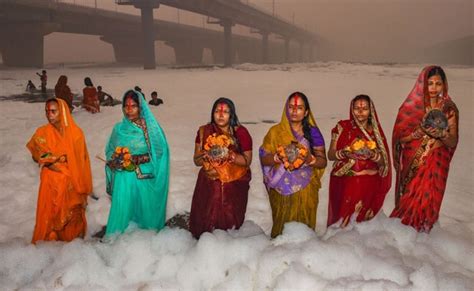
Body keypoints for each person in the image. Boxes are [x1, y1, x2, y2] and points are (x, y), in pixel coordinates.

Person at [390, 66, 459, 232]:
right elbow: (400, 138)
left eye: (438, 84)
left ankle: (425, 236)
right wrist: (417, 133)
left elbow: (452, 140)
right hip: (414, 162)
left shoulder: (449, 109)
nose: (434, 88)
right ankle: (403, 235)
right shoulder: (411, 108)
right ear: (422, 85)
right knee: (409, 201)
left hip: (437, 163)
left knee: (430, 200)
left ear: (444, 85)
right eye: (430, 84)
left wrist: (442, 134)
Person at [259, 92, 327, 238]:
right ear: (286, 109)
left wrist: (310, 159)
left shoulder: (313, 132)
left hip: (306, 187)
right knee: (281, 230)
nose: (294, 111)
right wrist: (277, 158)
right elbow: (264, 159)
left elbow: (323, 161)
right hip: (280, 187)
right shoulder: (275, 132)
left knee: (303, 230)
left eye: (299, 108)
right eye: (291, 107)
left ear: (306, 112)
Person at [104, 89, 170, 237]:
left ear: (140, 107)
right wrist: (115, 159)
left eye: (133, 106)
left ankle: (147, 238)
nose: (129, 110)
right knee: (123, 205)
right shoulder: (119, 128)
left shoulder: (150, 128)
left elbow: (160, 152)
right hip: (123, 175)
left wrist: (136, 159)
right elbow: (110, 149)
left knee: (145, 215)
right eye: (126, 106)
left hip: (145, 174)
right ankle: (117, 239)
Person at [27, 98, 93, 244]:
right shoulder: (42, 132)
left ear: (62, 112)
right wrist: (45, 159)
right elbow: (34, 154)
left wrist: (77, 179)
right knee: (50, 213)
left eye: (53, 111)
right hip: (50, 181)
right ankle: (50, 240)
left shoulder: (76, 134)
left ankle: (72, 243)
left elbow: (82, 161)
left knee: (72, 212)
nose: (49, 114)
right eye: (47, 111)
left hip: (71, 180)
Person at [189, 98, 252, 238]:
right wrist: (206, 155)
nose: (221, 115)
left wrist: (230, 155)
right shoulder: (204, 131)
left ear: (232, 114)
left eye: (226, 112)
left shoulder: (240, 133)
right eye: (217, 111)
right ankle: (206, 242)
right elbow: (196, 161)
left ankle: (227, 242)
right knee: (205, 219)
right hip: (208, 184)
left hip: (234, 184)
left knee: (229, 225)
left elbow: (247, 161)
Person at [327, 95, 391, 227]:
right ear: (351, 109)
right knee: (343, 219)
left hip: (368, 182)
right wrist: (343, 153)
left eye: (365, 109)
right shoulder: (342, 127)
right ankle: (339, 243)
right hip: (345, 180)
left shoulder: (376, 133)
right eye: (356, 108)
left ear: (371, 111)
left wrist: (374, 156)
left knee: (362, 222)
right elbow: (331, 155)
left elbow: (384, 163)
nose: (360, 112)